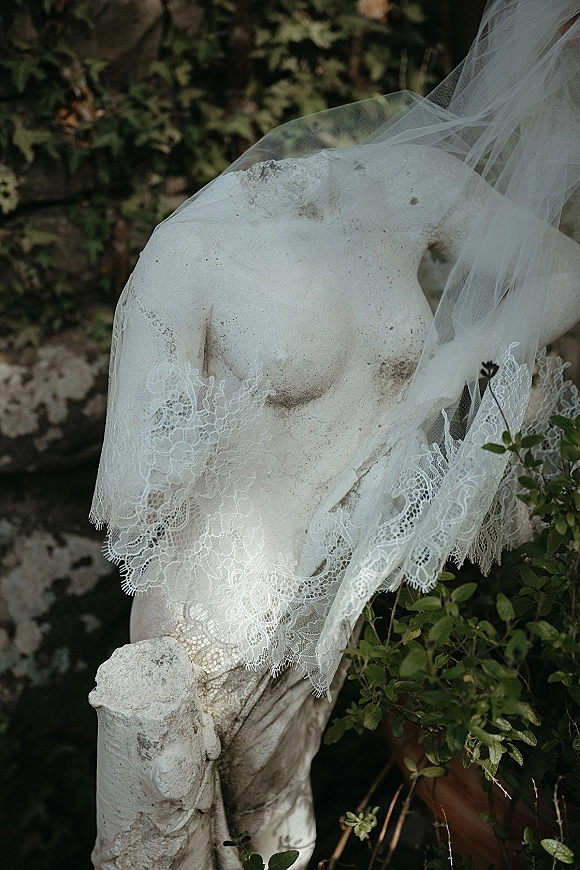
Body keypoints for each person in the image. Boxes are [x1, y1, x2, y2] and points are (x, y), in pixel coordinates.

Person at [90, 2, 580, 866]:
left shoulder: (411, 186)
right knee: (179, 844)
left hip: (331, 586)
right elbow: (134, 501)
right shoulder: (184, 258)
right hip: (212, 614)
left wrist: (463, 355)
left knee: (287, 826)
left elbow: (565, 271)